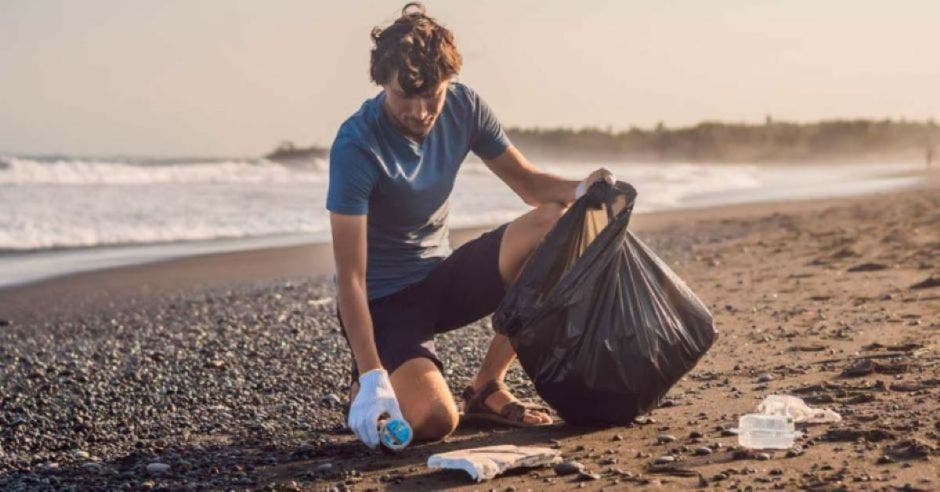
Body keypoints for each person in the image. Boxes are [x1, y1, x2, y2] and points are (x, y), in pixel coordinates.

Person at [327, 3, 613, 449]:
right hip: (385, 304)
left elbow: (529, 185)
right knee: (436, 421)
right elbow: (351, 278)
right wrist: (370, 376)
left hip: (442, 280)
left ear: (448, 83)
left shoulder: (464, 107)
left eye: (433, 96)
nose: (421, 112)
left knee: (556, 222)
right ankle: (367, 389)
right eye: (406, 96)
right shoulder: (356, 145)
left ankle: (487, 386)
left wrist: (584, 188)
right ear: (382, 83)